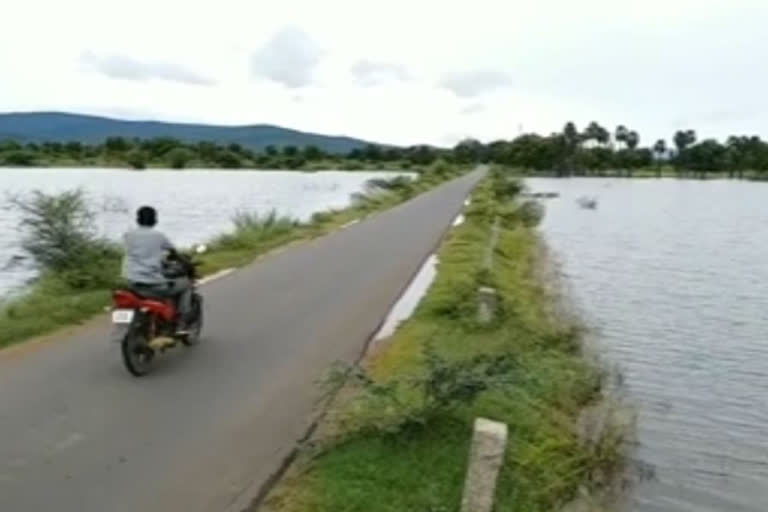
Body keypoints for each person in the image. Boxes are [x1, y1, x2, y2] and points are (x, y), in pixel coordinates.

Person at [121, 206, 192, 332]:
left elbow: (140, 252)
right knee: (185, 284)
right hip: (152, 285)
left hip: (131, 282)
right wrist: (184, 261)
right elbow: (173, 252)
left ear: (137, 220)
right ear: (155, 220)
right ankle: (182, 321)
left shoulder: (128, 235)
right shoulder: (159, 236)